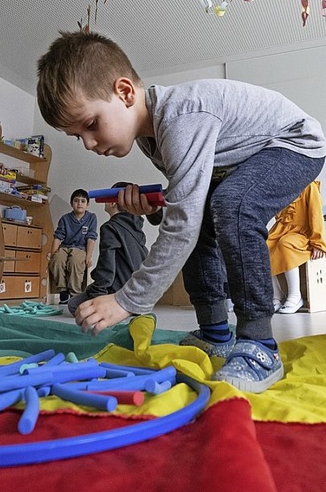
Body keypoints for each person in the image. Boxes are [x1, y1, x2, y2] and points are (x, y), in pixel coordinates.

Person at [36, 31, 326, 393]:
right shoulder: (149, 136)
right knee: (206, 212)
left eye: (91, 124)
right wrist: (153, 210)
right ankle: (216, 332)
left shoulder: (179, 119)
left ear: (125, 92)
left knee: (232, 206)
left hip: (295, 143)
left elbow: (183, 223)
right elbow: (186, 204)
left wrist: (129, 300)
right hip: (245, 161)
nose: (89, 143)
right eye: (77, 136)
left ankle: (259, 344)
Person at [67, 181, 149, 316]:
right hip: (138, 293)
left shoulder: (110, 227)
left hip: (119, 293)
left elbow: (107, 265)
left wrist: (98, 296)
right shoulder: (137, 228)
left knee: (73, 305)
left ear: (112, 203)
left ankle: (118, 306)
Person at [267, 181, 326, 314]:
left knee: (286, 244)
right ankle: (276, 296)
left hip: (304, 233)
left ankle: (295, 296)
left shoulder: (309, 187)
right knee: (264, 245)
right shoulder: (283, 187)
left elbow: (315, 214)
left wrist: (317, 243)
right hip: (283, 230)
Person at [49, 189, 97, 304]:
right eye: (76, 201)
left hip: (80, 248)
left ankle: (75, 293)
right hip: (65, 247)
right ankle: (63, 291)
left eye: (82, 201)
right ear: (71, 204)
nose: (79, 203)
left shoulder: (91, 218)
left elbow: (91, 239)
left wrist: (88, 257)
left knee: (75, 261)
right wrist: (52, 254)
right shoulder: (65, 219)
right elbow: (58, 237)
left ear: (87, 204)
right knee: (57, 259)